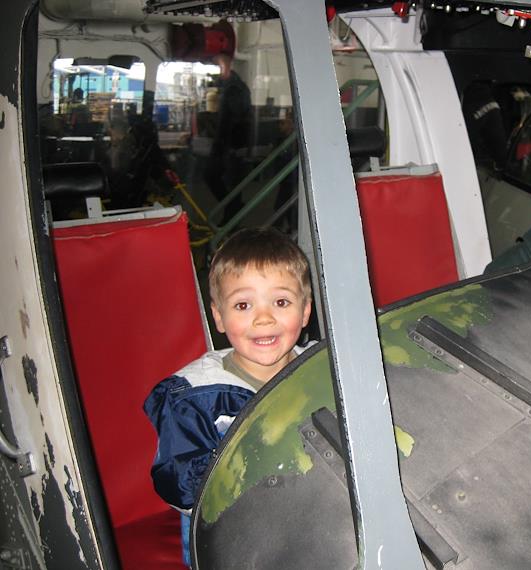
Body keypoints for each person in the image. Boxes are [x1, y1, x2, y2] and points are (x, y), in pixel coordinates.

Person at [144, 228, 313, 566]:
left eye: (281, 302)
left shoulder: (322, 366)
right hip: (233, 546)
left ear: (306, 311)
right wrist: (243, 463)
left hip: (309, 529)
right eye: (243, 305)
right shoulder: (195, 397)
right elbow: (180, 486)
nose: (263, 318)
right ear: (219, 317)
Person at [204, 52, 252, 225]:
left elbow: (231, 120)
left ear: (225, 66)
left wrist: (222, 145)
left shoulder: (235, 90)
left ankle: (233, 212)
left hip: (230, 147)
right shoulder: (232, 88)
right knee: (229, 183)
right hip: (229, 146)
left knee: (216, 177)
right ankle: (232, 213)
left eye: (218, 66)